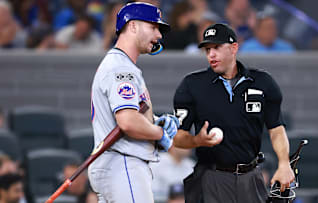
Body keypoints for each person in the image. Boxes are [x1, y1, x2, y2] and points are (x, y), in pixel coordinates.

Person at [172, 23, 294, 203]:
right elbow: (178, 137)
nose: (211, 54)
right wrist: (197, 140)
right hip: (211, 176)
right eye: (207, 49)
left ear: (234, 48)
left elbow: (276, 128)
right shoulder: (192, 85)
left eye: (217, 47)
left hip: (251, 176)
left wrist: (284, 163)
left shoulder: (262, 82)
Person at [87, 2, 179, 203]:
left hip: (118, 164)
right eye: (153, 27)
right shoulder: (121, 69)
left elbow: (132, 114)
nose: (159, 35)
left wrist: (154, 121)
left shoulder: (122, 65)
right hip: (123, 163)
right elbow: (127, 122)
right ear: (133, 26)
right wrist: (159, 134)